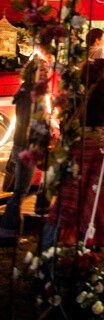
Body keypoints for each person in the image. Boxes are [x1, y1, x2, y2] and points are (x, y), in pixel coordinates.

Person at [43, 59, 104, 249]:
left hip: (77, 142)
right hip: (96, 142)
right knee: (94, 190)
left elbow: (65, 114)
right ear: (102, 71)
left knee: (72, 190)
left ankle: (64, 235)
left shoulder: (75, 89)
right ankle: (91, 235)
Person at [0, 47, 53, 247]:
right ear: (34, 72)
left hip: (24, 145)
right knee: (21, 191)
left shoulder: (26, 91)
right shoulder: (32, 94)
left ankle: (12, 230)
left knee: (22, 190)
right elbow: (31, 121)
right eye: (42, 70)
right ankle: (8, 231)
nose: (46, 73)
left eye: (47, 70)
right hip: (27, 146)